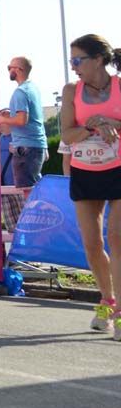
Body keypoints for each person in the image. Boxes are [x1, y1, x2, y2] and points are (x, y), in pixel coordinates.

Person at [59, 34, 121, 337]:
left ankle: (120, 312)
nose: (73, 67)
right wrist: (91, 126)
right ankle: (107, 303)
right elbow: (67, 135)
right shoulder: (72, 90)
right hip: (85, 171)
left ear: (98, 59)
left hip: (118, 168)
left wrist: (113, 124)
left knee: (117, 238)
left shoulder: (120, 87)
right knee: (92, 245)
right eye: (71, 61)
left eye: (77, 60)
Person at [0, 56, 49, 195]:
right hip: (35, 145)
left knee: (27, 190)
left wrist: (2, 119)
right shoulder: (33, 89)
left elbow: (22, 120)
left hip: (25, 147)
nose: (9, 70)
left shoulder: (20, 92)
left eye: (10, 68)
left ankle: (33, 215)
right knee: (33, 187)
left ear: (18, 70)